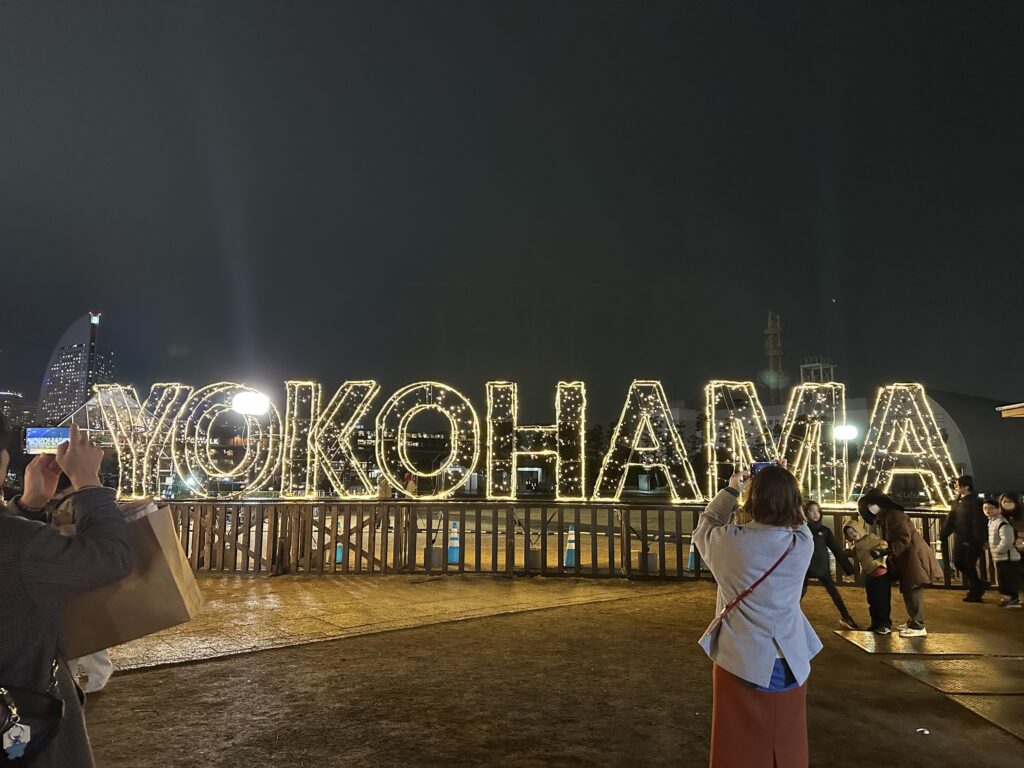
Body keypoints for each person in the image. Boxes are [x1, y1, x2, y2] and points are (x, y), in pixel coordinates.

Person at [0, 424, 133, 766]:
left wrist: (29, 506)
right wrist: (88, 483)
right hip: (22, 729)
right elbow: (112, 558)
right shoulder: (17, 542)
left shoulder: (17, 542)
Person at [693, 464, 821, 768]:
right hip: (791, 657)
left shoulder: (729, 542)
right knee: (787, 746)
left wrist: (732, 489)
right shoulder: (801, 542)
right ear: (795, 502)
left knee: (737, 748)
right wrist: (787, 481)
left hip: (741, 658)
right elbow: (800, 519)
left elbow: (705, 525)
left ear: (752, 500)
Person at [860, 488, 941, 638]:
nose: (870, 509)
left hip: (913, 556)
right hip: (906, 556)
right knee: (909, 588)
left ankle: (918, 625)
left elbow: (904, 538)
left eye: (871, 505)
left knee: (913, 588)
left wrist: (886, 550)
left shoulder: (893, 515)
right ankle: (913, 621)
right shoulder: (886, 515)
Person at [801, 500, 858, 629]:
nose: (815, 514)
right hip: (805, 567)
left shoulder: (824, 531)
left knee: (834, 593)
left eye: (817, 511)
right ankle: (788, 618)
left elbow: (836, 549)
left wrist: (848, 568)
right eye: (811, 511)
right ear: (805, 513)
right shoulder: (801, 529)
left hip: (821, 567)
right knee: (798, 594)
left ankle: (846, 617)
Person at [941, 475, 988, 602]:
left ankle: (975, 592)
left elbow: (979, 522)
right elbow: (951, 519)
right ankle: (979, 584)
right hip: (961, 537)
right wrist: (944, 534)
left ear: (966, 487)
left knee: (968, 564)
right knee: (959, 563)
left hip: (972, 539)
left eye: (958, 485)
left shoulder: (976, 502)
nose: (956, 488)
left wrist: (978, 538)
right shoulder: (958, 501)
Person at [852, 500, 893, 635]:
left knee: (882, 601)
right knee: (872, 600)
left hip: (880, 572)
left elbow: (883, 544)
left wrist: (877, 552)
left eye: (853, 531)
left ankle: (885, 624)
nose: (853, 535)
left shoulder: (869, 538)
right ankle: (875, 622)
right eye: (850, 534)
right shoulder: (857, 545)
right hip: (870, 574)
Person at [984, 497, 1021, 608]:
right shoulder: (992, 522)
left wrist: (997, 550)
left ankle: (1012, 599)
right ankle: (1009, 598)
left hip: (1007, 557)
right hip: (1001, 557)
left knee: (1006, 579)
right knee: (1003, 579)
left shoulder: (1001, 522)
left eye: (991, 508)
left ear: (998, 509)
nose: (988, 510)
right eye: (985, 508)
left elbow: (1007, 540)